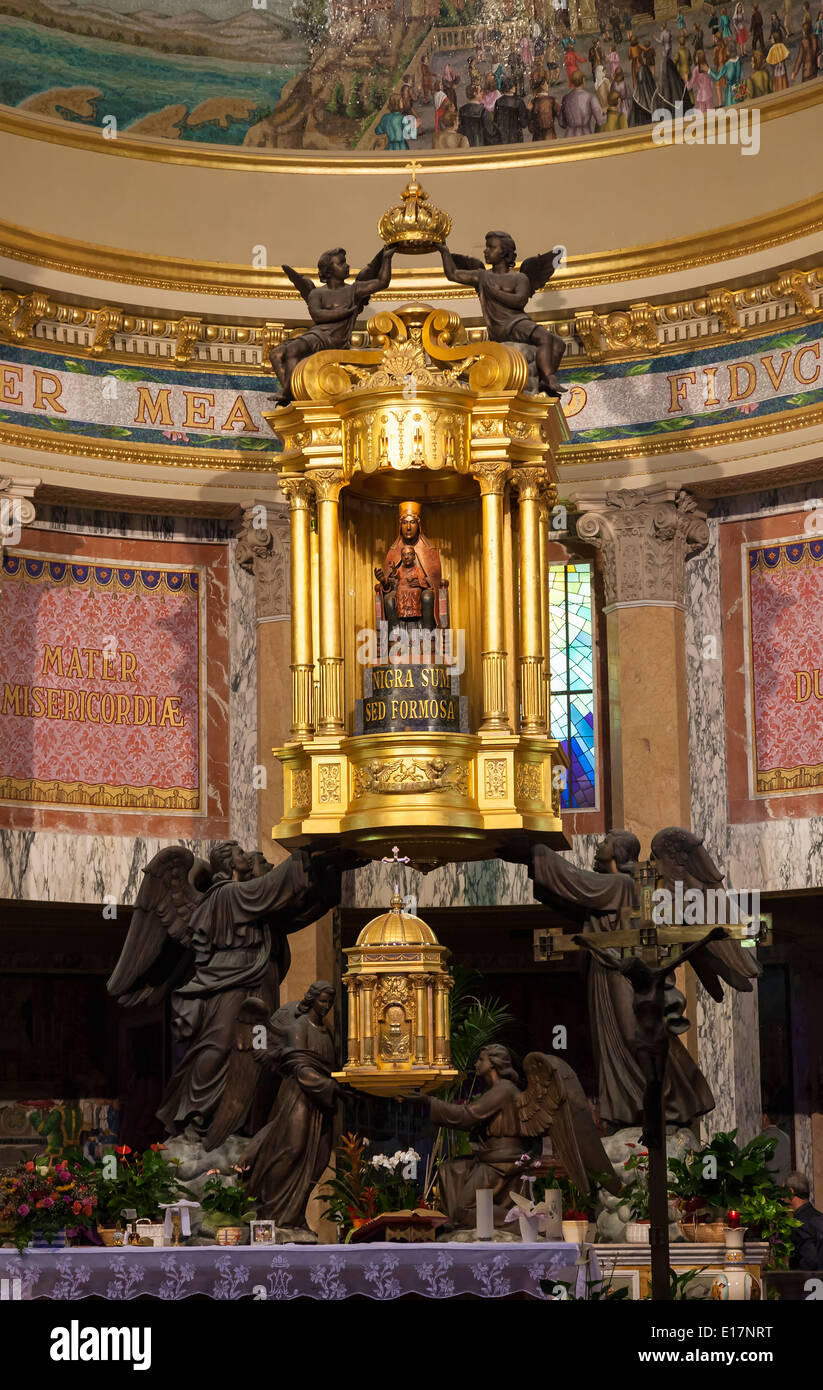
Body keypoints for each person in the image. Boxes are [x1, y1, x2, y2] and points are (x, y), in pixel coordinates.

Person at [786, 1173, 823, 1270]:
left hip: (810, 1281)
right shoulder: (819, 1217)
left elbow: (810, 1260)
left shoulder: (799, 1222)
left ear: (791, 1191)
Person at [560, 68, 605, 136]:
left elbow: (562, 123)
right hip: (585, 135)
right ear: (583, 80)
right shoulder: (591, 97)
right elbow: (600, 121)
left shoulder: (565, 98)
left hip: (569, 137)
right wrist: (609, 111)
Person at [528, 71, 561, 139]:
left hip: (537, 139)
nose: (547, 85)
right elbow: (562, 122)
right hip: (550, 137)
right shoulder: (552, 100)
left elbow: (531, 129)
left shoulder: (532, 103)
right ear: (543, 86)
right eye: (547, 83)